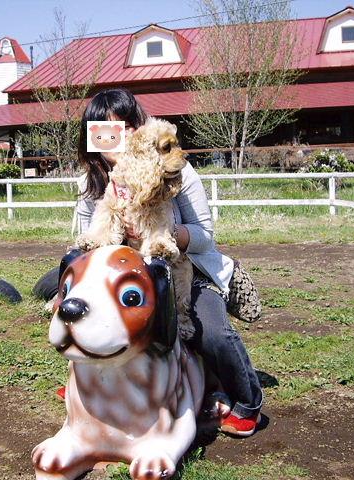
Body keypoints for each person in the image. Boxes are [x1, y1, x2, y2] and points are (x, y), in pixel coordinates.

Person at [75, 88, 263, 437]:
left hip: (187, 270)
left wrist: (165, 234)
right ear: (93, 137)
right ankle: (93, 391)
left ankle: (246, 400)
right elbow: (87, 240)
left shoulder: (179, 171)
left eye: (127, 127)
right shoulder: (94, 182)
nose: (119, 137)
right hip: (123, 279)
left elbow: (205, 234)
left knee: (211, 333)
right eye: (106, 131)